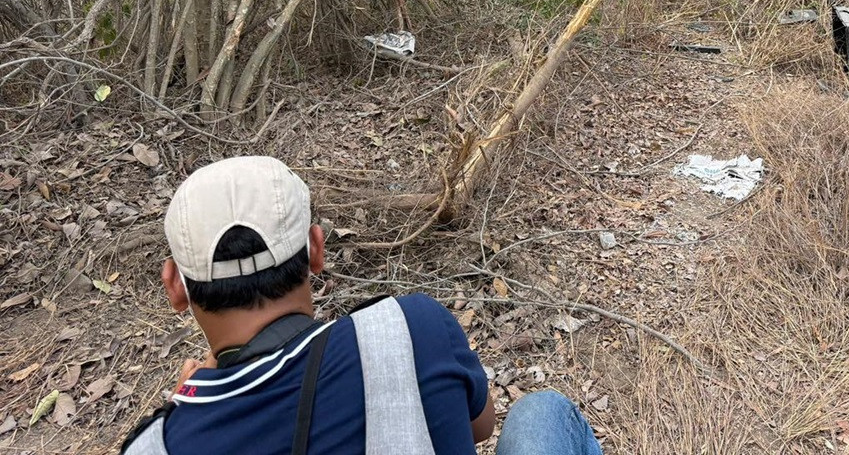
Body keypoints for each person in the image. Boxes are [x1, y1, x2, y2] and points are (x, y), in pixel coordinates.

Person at [121, 155, 603, 455]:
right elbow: (479, 425)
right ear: (316, 250)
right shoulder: (411, 328)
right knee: (542, 413)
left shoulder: (152, 446)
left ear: (175, 288)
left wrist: (187, 410)